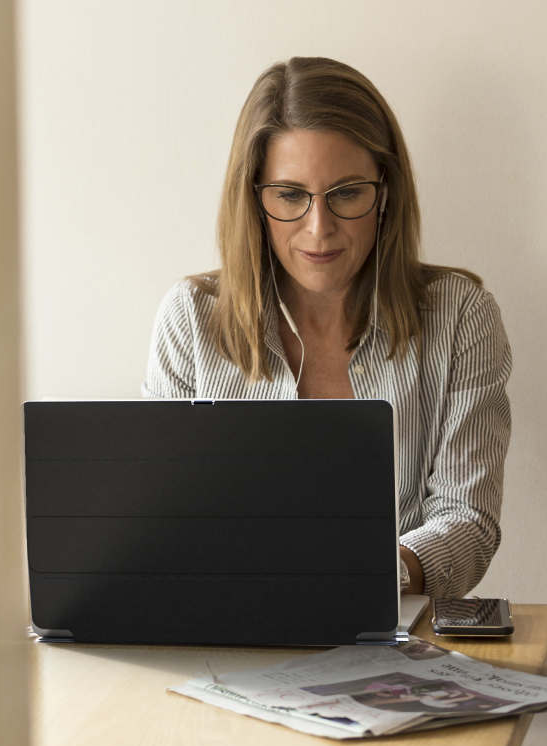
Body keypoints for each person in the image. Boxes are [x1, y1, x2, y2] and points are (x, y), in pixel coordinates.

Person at [142, 57, 511, 598]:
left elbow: (468, 519)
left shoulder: (460, 316)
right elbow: (162, 521)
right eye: (290, 195)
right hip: (227, 626)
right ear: (254, 198)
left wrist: (367, 576)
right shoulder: (190, 319)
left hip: (391, 624)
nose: (319, 228)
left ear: (385, 191)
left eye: (346, 193)